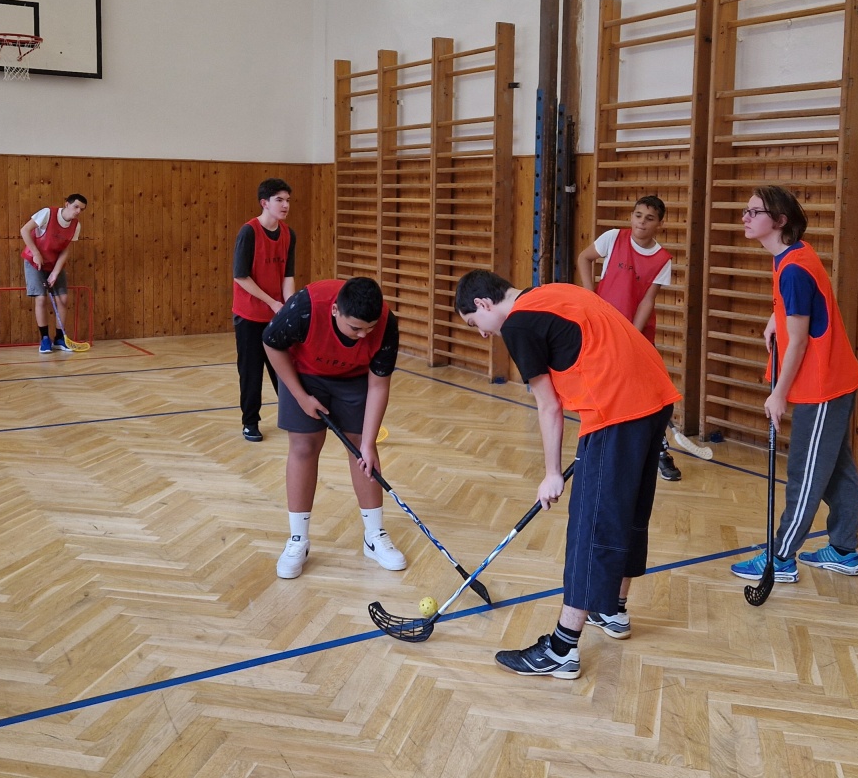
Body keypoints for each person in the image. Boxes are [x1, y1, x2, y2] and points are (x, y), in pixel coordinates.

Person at [455, 269, 680, 679]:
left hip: (617, 409)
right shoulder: (551, 291)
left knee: (591, 524)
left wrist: (551, 473)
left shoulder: (519, 324)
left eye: (475, 323)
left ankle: (562, 649)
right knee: (628, 512)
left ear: (484, 304)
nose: (483, 334)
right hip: (654, 396)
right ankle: (612, 610)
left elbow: (549, 406)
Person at [730, 186, 858, 585]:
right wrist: (777, 316)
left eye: (754, 212)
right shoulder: (791, 255)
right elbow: (800, 308)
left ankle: (780, 558)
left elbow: (801, 341)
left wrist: (778, 393)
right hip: (833, 380)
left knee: (805, 473)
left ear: (780, 221)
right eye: (746, 210)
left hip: (822, 386)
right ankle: (844, 550)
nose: (745, 217)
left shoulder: (793, 269)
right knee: (837, 470)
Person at [263, 276, 406, 580]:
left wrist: (368, 443)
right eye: (355, 328)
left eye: (369, 328)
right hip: (304, 375)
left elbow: (379, 385)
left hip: (355, 379)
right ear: (335, 310)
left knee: (360, 449)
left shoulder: (386, 324)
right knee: (304, 447)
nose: (363, 335)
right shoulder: (305, 306)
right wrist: (300, 397)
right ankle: (298, 540)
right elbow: (272, 343)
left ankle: (374, 536)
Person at [576, 194, 682, 481]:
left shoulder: (662, 259)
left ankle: (659, 451)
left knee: (645, 392)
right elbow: (584, 257)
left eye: (649, 218)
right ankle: (600, 446)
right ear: (631, 216)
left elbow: (648, 300)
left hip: (637, 332)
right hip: (603, 329)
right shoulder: (614, 238)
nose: (641, 223)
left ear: (660, 224)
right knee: (604, 388)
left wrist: (632, 336)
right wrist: (590, 295)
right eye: (638, 215)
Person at [232, 178, 296, 442]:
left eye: (288, 200)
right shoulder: (249, 232)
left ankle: (295, 416)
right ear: (264, 203)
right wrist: (271, 302)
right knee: (251, 371)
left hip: (276, 315)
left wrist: (289, 307)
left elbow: (288, 275)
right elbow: (240, 276)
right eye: (279, 200)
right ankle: (250, 423)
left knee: (285, 369)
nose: (285, 205)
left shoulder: (289, 234)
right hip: (249, 315)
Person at [19, 194, 87, 353]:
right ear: (67, 204)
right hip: (34, 260)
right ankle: (44, 339)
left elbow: (65, 250)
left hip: (54, 263)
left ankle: (59, 338)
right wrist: (36, 253)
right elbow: (24, 230)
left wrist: (55, 273)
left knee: (63, 299)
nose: (78, 211)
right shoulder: (48, 213)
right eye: (76, 207)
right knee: (41, 298)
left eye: (81, 209)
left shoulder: (75, 225)